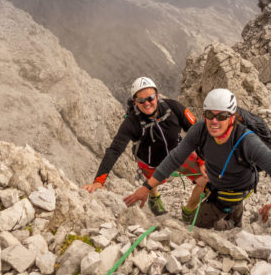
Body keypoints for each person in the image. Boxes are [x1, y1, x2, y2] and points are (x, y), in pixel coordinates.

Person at [124, 88, 271, 230]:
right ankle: (234, 215)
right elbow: (175, 158)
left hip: (234, 189)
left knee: (195, 226)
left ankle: (230, 224)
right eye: (209, 115)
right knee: (206, 190)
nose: (214, 121)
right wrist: (147, 187)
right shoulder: (200, 129)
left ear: (232, 117)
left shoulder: (246, 141)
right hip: (215, 182)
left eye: (221, 116)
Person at [83, 77, 208, 216]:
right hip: (151, 163)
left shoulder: (173, 107)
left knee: (207, 178)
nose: (147, 103)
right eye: (141, 101)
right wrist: (99, 181)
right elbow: (114, 150)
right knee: (152, 182)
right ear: (135, 102)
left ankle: (189, 211)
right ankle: (154, 196)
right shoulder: (131, 122)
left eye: (150, 98)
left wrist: (202, 160)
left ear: (157, 95)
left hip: (179, 155)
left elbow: (197, 132)